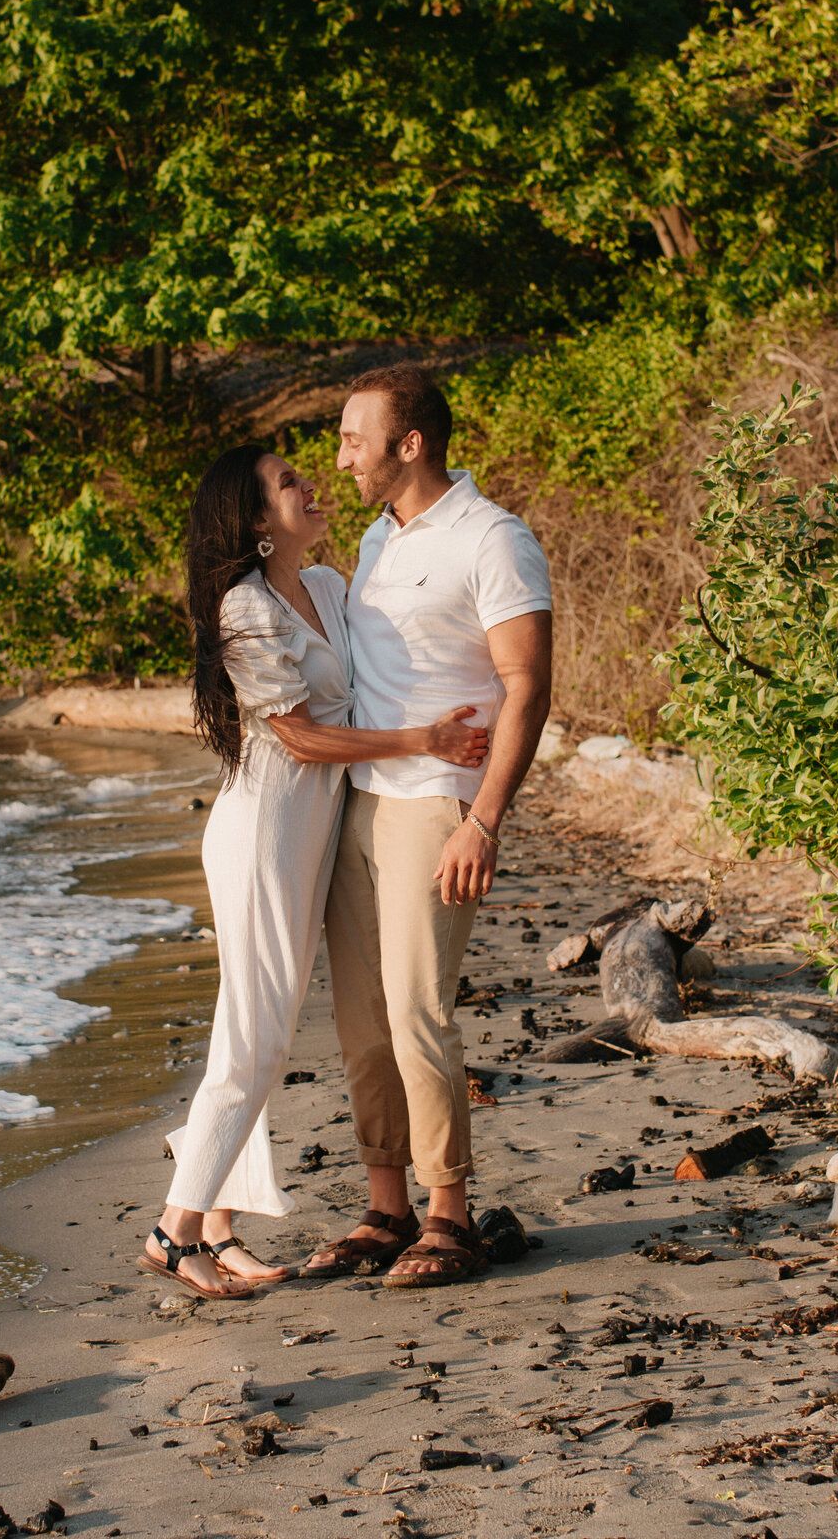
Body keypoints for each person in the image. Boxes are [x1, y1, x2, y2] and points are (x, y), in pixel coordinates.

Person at [139, 443, 492, 1299]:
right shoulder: (245, 609)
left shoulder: (329, 588)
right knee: (258, 1040)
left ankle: (218, 1226)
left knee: (253, 1029)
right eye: (288, 482)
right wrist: (424, 740)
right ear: (259, 522)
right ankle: (173, 1230)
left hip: (314, 832)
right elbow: (298, 735)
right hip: (264, 831)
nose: (310, 483)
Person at [296, 365, 553, 1288]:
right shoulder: (375, 536)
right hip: (358, 801)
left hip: (437, 804)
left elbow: (528, 685)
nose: (341, 455)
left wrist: (481, 819)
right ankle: (387, 1207)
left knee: (417, 1013)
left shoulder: (493, 538)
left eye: (352, 438)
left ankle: (451, 1214)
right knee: (363, 1020)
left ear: (410, 444)